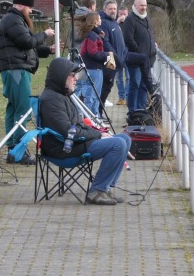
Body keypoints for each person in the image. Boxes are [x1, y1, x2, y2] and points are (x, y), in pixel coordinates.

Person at [40, 57, 130, 205]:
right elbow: (70, 132)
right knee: (118, 144)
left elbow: (78, 125)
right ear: (61, 77)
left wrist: (100, 133)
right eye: (72, 75)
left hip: (72, 144)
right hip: (64, 150)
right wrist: (98, 135)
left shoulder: (63, 96)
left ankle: (105, 188)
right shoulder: (52, 100)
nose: (76, 78)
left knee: (125, 139)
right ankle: (97, 191)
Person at [0, 0, 57, 165]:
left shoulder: (15, 20)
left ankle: (12, 150)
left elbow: (27, 47)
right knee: (23, 111)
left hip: (14, 69)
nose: (31, 11)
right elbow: (27, 42)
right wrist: (45, 34)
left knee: (13, 110)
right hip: (16, 71)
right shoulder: (13, 19)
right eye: (29, 7)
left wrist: (48, 50)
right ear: (21, 5)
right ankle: (19, 151)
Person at [123, 0, 157, 112]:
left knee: (143, 86)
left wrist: (153, 46)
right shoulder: (130, 19)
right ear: (135, 5)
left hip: (147, 60)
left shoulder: (146, 18)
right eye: (141, 5)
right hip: (135, 60)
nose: (144, 8)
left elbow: (150, 35)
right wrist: (139, 53)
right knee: (135, 84)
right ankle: (132, 111)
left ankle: (141, 110)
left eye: (145, 5)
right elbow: (128, 39)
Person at [78, 12, 111, 118]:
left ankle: (91, 118)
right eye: (99, 18)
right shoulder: (92, 36)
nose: (101, 20)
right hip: (94, 69)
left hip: (89, 68)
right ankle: (92, 119)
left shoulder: (90, 34)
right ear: (96, 21)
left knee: (89, 95)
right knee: (93, 96)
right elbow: (93, 52)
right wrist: (106, 55)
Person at [115, 6, 130, 105]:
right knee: (119, 77)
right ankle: (121, 97)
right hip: (118, 54)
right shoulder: (114, 24)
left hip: (128, 53)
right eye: (121, 14)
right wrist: (117, 22)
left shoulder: (131, 24)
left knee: (129, 77)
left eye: (125, 14)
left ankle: (128, 97)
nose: (123, 16)